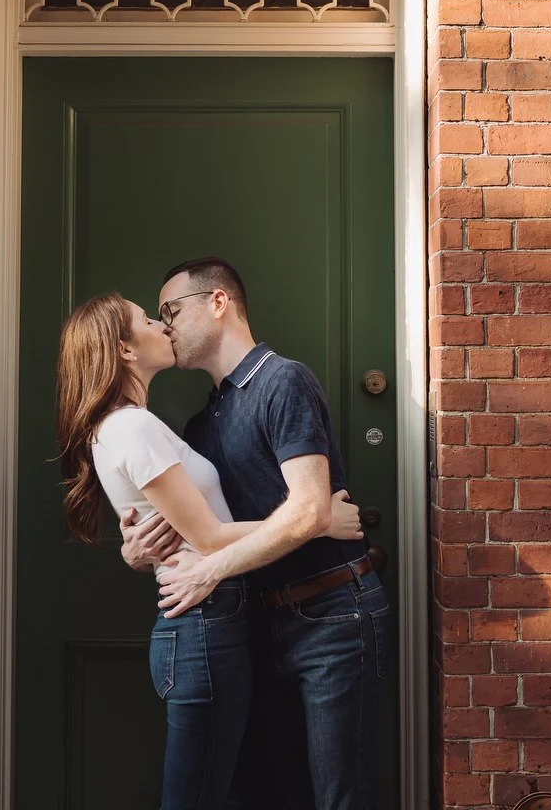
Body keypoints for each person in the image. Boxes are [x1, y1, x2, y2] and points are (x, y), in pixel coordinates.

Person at [54, 292, 363, 810]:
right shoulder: (132, 427)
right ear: (126, 351)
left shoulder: (136, 426)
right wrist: (319, 522)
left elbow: (183, 529)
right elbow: (210, 539)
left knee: (234, 794)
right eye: (149, 319)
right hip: (203, 627)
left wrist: (138, 550)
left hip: (217, 623)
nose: (162, 326)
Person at [121, 257, 390, 810]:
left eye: (171, 310)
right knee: (278, 795)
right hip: (257, 626)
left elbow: (311, 508)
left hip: (334, 617)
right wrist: (135, 549)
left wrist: (210, 569)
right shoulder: (201, 424)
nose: (164, 324)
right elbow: (195, 530)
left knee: (340, 797)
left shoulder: (282, 381)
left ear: (217, 302)